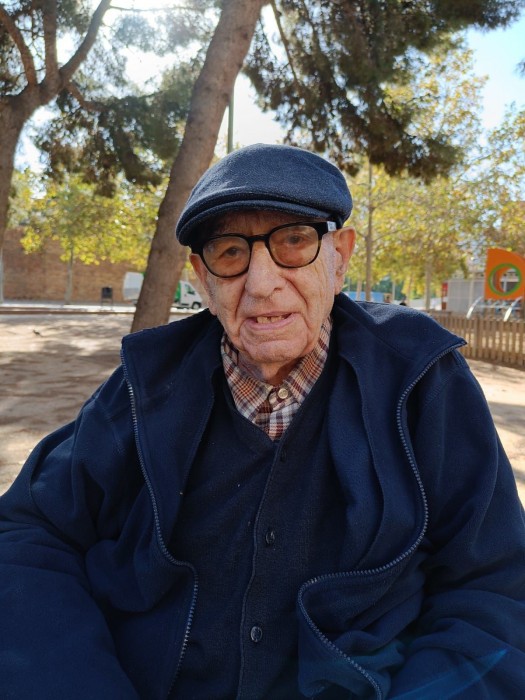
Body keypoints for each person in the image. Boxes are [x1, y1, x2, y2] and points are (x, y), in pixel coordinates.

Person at [0, 143, 524, 700]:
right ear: (203, 279)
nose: (261, 283)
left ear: (339, 257)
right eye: (230, 253)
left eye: (293, 241)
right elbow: (29, 531)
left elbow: (493, 586)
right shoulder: (145, 386)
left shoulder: (420, 380)